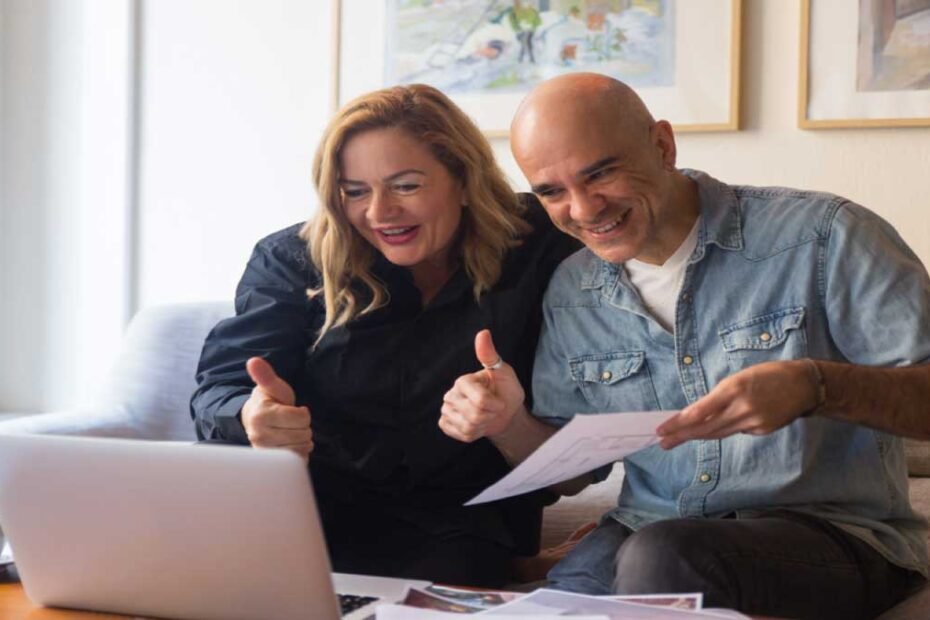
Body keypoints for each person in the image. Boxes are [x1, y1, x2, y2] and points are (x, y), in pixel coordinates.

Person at [439, 73, 930, 619]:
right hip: (644, 531)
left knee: (663, 558)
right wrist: (507, 421)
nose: (582, 209)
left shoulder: (825, 236)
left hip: (833, 537)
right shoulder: (572, 290)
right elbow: (574, 473)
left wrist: (816, 386)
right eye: (551, 191)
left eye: (600, 173)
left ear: (663, 146)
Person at [190, 84, 577, 587]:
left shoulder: (540, 244)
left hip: (463, 526)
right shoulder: (291, 260)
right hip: (310, 514)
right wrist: (251, 416)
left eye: (406, 185)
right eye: (354, 191)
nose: (378, 212)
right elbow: (216, 392)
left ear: (463, 178)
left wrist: (508, 420)